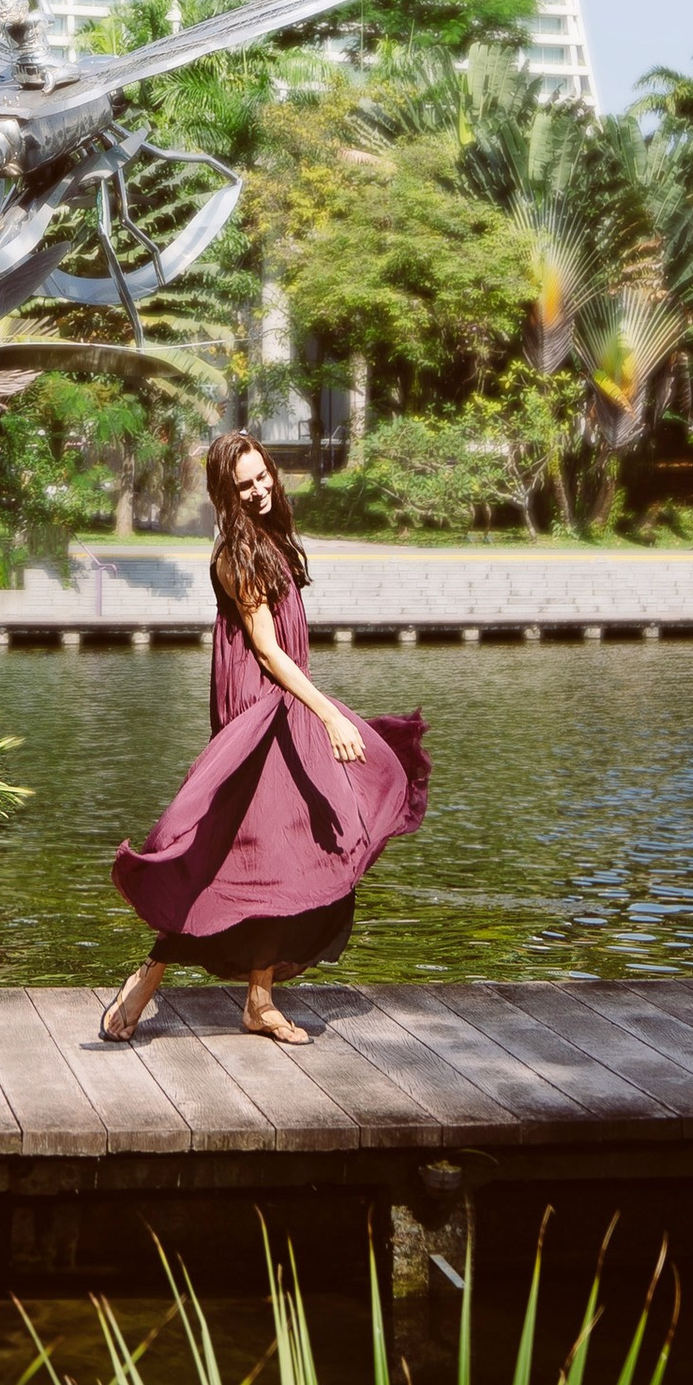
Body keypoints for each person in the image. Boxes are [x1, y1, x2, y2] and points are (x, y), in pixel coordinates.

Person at [104, 432, 428, 1045]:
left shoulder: (272, 538)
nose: (258, 490)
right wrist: (328, 713)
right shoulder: (238, 553)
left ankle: (258, 999)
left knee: (293, 853)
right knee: (234, 857)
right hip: (262, 710)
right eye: (244, 484)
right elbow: (265, 648)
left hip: (285, 706)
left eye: (263, 478)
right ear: (224, 492)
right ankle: (149, 978)